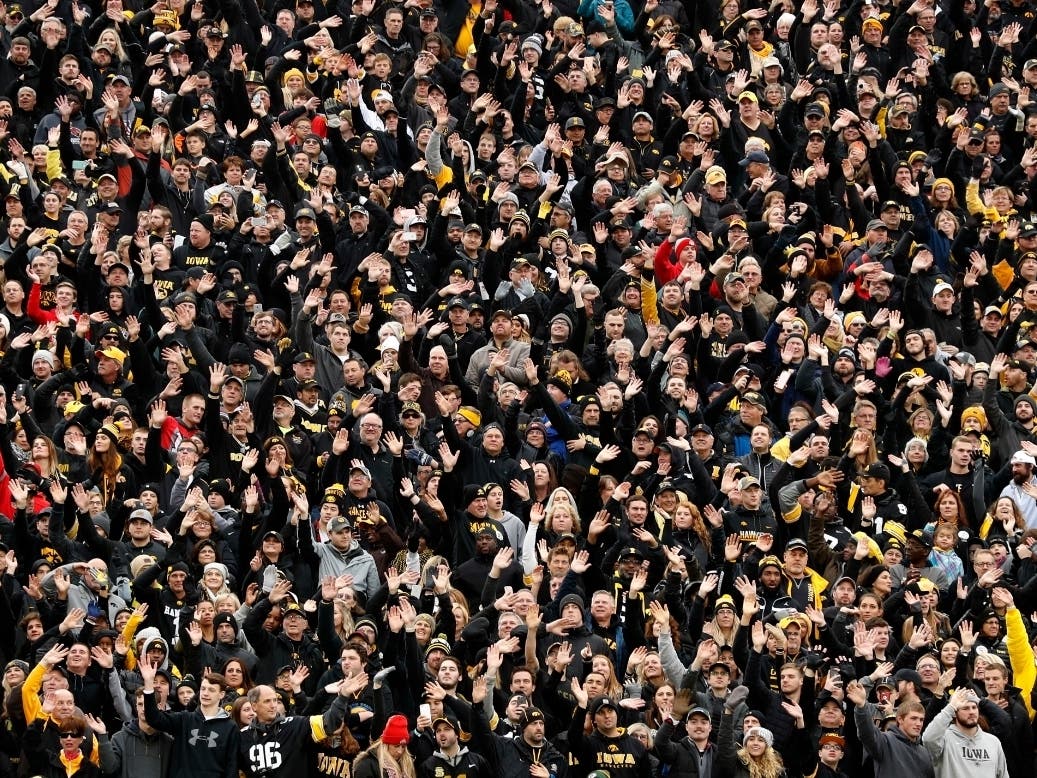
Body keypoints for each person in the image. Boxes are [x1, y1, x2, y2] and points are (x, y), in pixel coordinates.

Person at [922, 688, 1008, 778]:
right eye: (965, 708)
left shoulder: (993, 741)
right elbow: (928, 739)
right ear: (954, 713)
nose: (971, 712)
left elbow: (1003, 775)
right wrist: (950, 707)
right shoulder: (944, 739)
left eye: (974, 707)